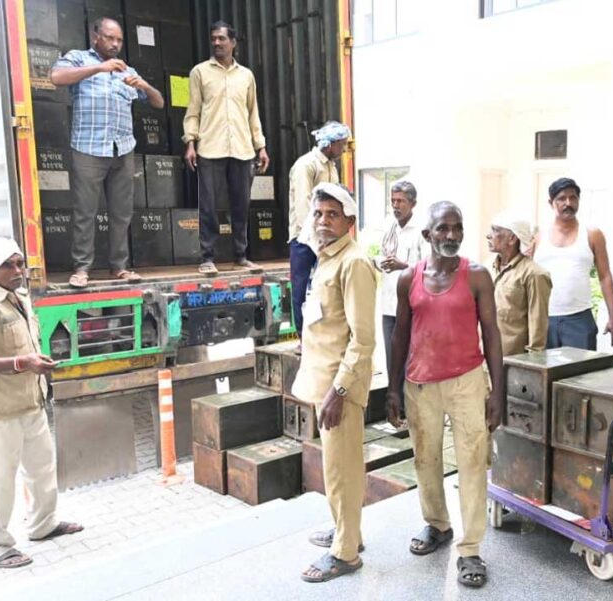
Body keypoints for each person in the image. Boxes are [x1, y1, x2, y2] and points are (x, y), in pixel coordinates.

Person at [386, 201, 505, 588]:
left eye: (457, 227)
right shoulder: (409, 279)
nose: (451, 235)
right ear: (428, 235)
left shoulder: (477, 277)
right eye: (442, 229)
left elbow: (492, 334)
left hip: (467, 382)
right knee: (426, 459)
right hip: (420, 385)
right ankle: (437, 524)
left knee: (472, 462)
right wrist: (392, 389)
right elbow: (400, 334)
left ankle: (470, 549)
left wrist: (497, 391)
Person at [0, 238, 83, 569]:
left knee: (42, 469)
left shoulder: (19, 299)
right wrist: (22, 364)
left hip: (30, 402)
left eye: (20, 263)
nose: (19, 271)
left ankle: (43, 524)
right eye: (10, 265)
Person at [291, 183, 376, 583]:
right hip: (322, 381)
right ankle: (347, 531)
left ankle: (345, 553)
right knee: (334, 468)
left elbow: (363, 339)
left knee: (342, 470)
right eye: (318, 213)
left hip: (338, 390)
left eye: (332, 214)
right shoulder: (325, 258)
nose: (323, 221)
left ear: (350, 222)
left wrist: (339, 391)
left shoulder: (354, 263)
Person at [51, 17, 164, 288]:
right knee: (85, 212)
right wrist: (99, 68)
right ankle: (81, 269)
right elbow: (56, 77)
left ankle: (119, 267)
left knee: (121, 213)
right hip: (88, 148)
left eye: (119, 40)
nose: (115, 44)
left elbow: (159, 103)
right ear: (96, 37)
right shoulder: (78, 59)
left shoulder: (127, 70)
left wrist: (144, 87)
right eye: (110, 38)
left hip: (122, 149)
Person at [183, 21, 270, 275]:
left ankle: (241, 256)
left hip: (243, 148)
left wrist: (261, 146)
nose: (217, 43)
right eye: (214, 39)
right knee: (208, 204)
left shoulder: (246, 75)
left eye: (222, 38)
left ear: (233, 42)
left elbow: (253, 113)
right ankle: (208, 257)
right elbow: (193, 111)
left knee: (241, 205)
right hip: (210, 147)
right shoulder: (200, 72)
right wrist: (190, 143)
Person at [534, 177, 613, 349]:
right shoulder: (539, 235)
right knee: (545, 374)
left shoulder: (592, 234)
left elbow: (605, 276)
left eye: (573, 198)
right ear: (551, 203)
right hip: (543, 319)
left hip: (579, 320)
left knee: (580, 375)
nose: (568, 203)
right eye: (561, 198)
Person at [286, 121, 352, 336]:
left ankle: (323, 334)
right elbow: (304, 204)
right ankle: (303, 339)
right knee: (301, 290)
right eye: (341, 145)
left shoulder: (331, 166)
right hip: (305, 239)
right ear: (330, 144)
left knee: (325, 289)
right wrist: (317, 237)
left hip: (327, 239)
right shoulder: (307, 165)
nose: (343, 151)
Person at [377, 180, 428, 374]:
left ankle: (409, 404)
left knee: (411, 363)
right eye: (393, 201)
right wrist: (380, 262)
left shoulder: (422, 230)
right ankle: (394, 402)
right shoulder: (389, 227)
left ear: (413, 203)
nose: (396, 206)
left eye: (401, 201)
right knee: (392, 363)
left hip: (412, 308)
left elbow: (429, 267)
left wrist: (403, 266)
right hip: (389, 307)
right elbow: (381, 254)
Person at [486, 210, 551, 355]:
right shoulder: (487, 268)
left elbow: (538, 327)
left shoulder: (534, 274)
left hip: (512, 361)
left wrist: (533, 363)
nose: (489, 235)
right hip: (484, 358)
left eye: (495, 230)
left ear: (512, 238)